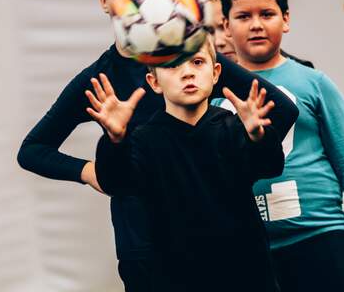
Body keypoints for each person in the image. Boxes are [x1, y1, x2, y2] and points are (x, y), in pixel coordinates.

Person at [17, 0, 298, 291]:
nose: (137, 0)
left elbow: (281, 110)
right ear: (104, 0)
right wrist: (91, 171)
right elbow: (32, 150)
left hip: (218, 241)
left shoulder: (190, 58)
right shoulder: (99, 78)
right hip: (145, 245)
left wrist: (245, 146)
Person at [217, 0, 344, 292]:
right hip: (252, 254)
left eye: (266, 14)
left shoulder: (314, 84)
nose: (256, 25)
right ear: (225, 26)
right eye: (243, 16)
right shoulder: (214, 97)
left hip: (323, 239)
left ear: (285, 19)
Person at [87, 39, 284, 291]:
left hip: (246, 274)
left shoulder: (233, 127)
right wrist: (114, 141)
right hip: (176, 277)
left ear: (215, 73)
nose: (188, 72)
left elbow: (270, 166)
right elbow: (115, 181)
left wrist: (258, 136)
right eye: (172, 65)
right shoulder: (143, 140)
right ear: (154, 82)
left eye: (197, 62)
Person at [204, 0, 314, 68]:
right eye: (209, 31)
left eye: (222, 27)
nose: (218, 42)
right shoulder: (202, 79)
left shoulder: (304, 75)